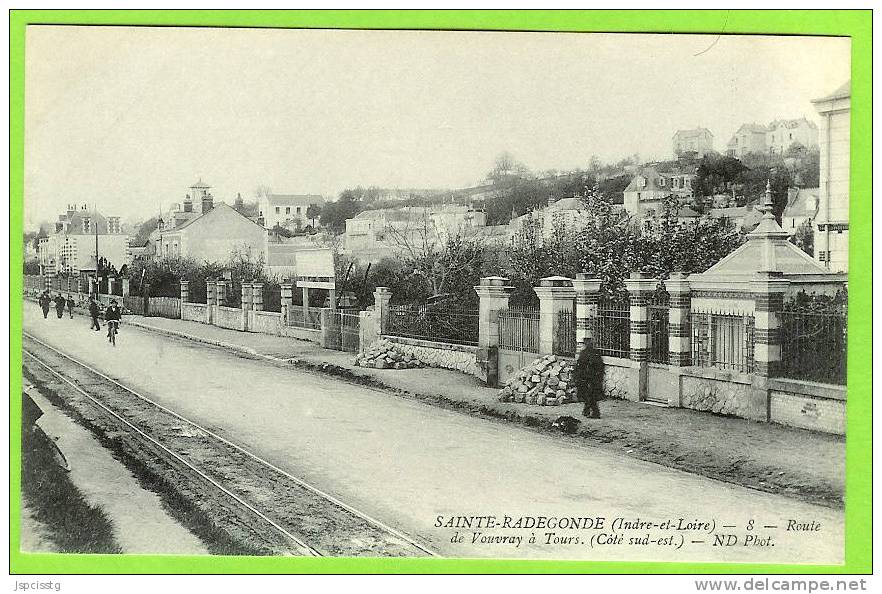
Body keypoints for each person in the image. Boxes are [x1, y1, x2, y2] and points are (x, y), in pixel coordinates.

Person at [573, 336, 604, 419]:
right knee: (588, 395)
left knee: (590, 395)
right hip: (590, 378)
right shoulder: (594, 353)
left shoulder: (586, 353)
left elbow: (580, 365)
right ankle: (586, 410)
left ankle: (595, 413)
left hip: (589, 378)